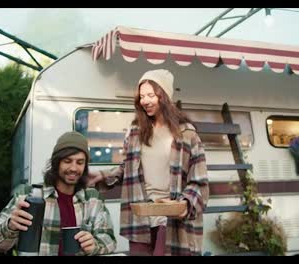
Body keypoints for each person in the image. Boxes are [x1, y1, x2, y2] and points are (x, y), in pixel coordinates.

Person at [87, 69, 209, 256]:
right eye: (142, 96)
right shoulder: (136, 132)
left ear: (165, 96)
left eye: (151, 95)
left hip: (171, 216)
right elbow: (127, 168)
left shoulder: (187, 134)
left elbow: (199, 180)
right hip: (140, 217)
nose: (145, 101)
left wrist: (185, 204)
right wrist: (103, 176)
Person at [0, 131, 117, 256]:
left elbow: (110, 241)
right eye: (67, 161)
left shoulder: (93, 199)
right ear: (56, 162)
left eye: (80, 162)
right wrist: (10, 226)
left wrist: (95, 245)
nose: (73, 168)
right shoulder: (29, 195)